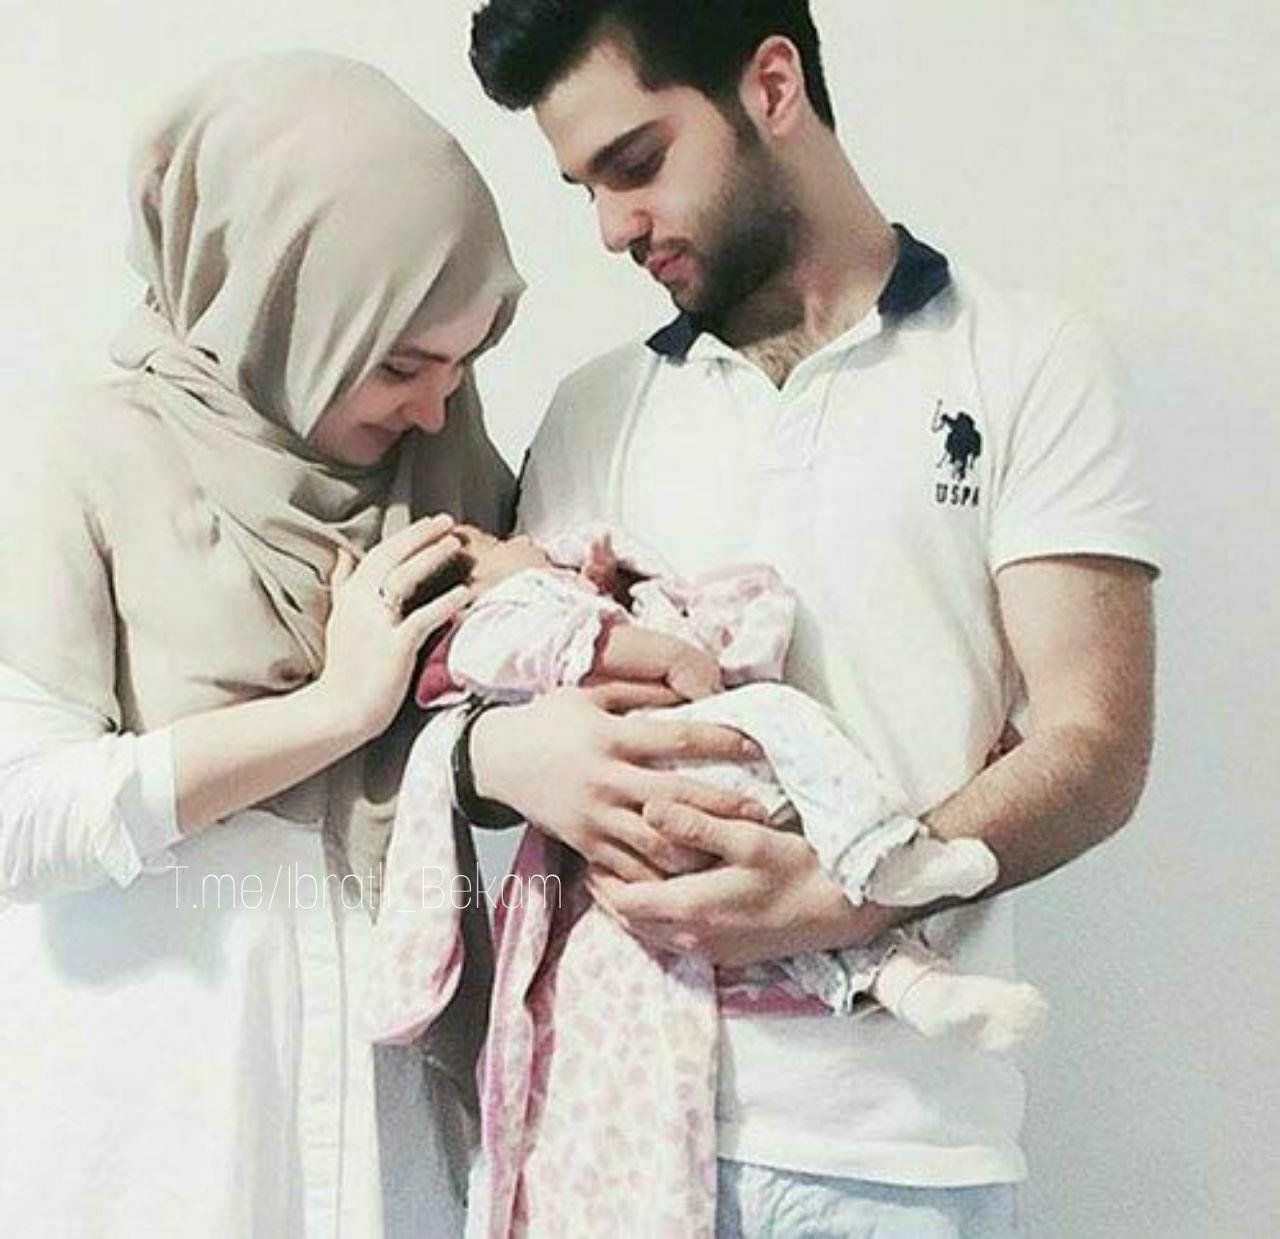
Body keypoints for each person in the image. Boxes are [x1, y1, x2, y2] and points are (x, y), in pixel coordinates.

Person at [459, 2, 1160, 1235]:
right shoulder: (593, 411)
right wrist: (506, 757)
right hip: (604, 1137)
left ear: (771, 86)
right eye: (585, 188)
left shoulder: (1023, 361)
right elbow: (491, 689)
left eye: (635, 163)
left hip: (892, 1155)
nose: (612, 226)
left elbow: (1094, 742)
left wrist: (853, 893)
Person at [0, 51, 523, 1237]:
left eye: (463, 363)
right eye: (399, 364)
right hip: (157, 1112)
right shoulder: (89, 456)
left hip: (386, 1118)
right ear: (283, 307)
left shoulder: (452, 471)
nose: (435, 408)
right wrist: (335, 712)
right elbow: (16, 821)